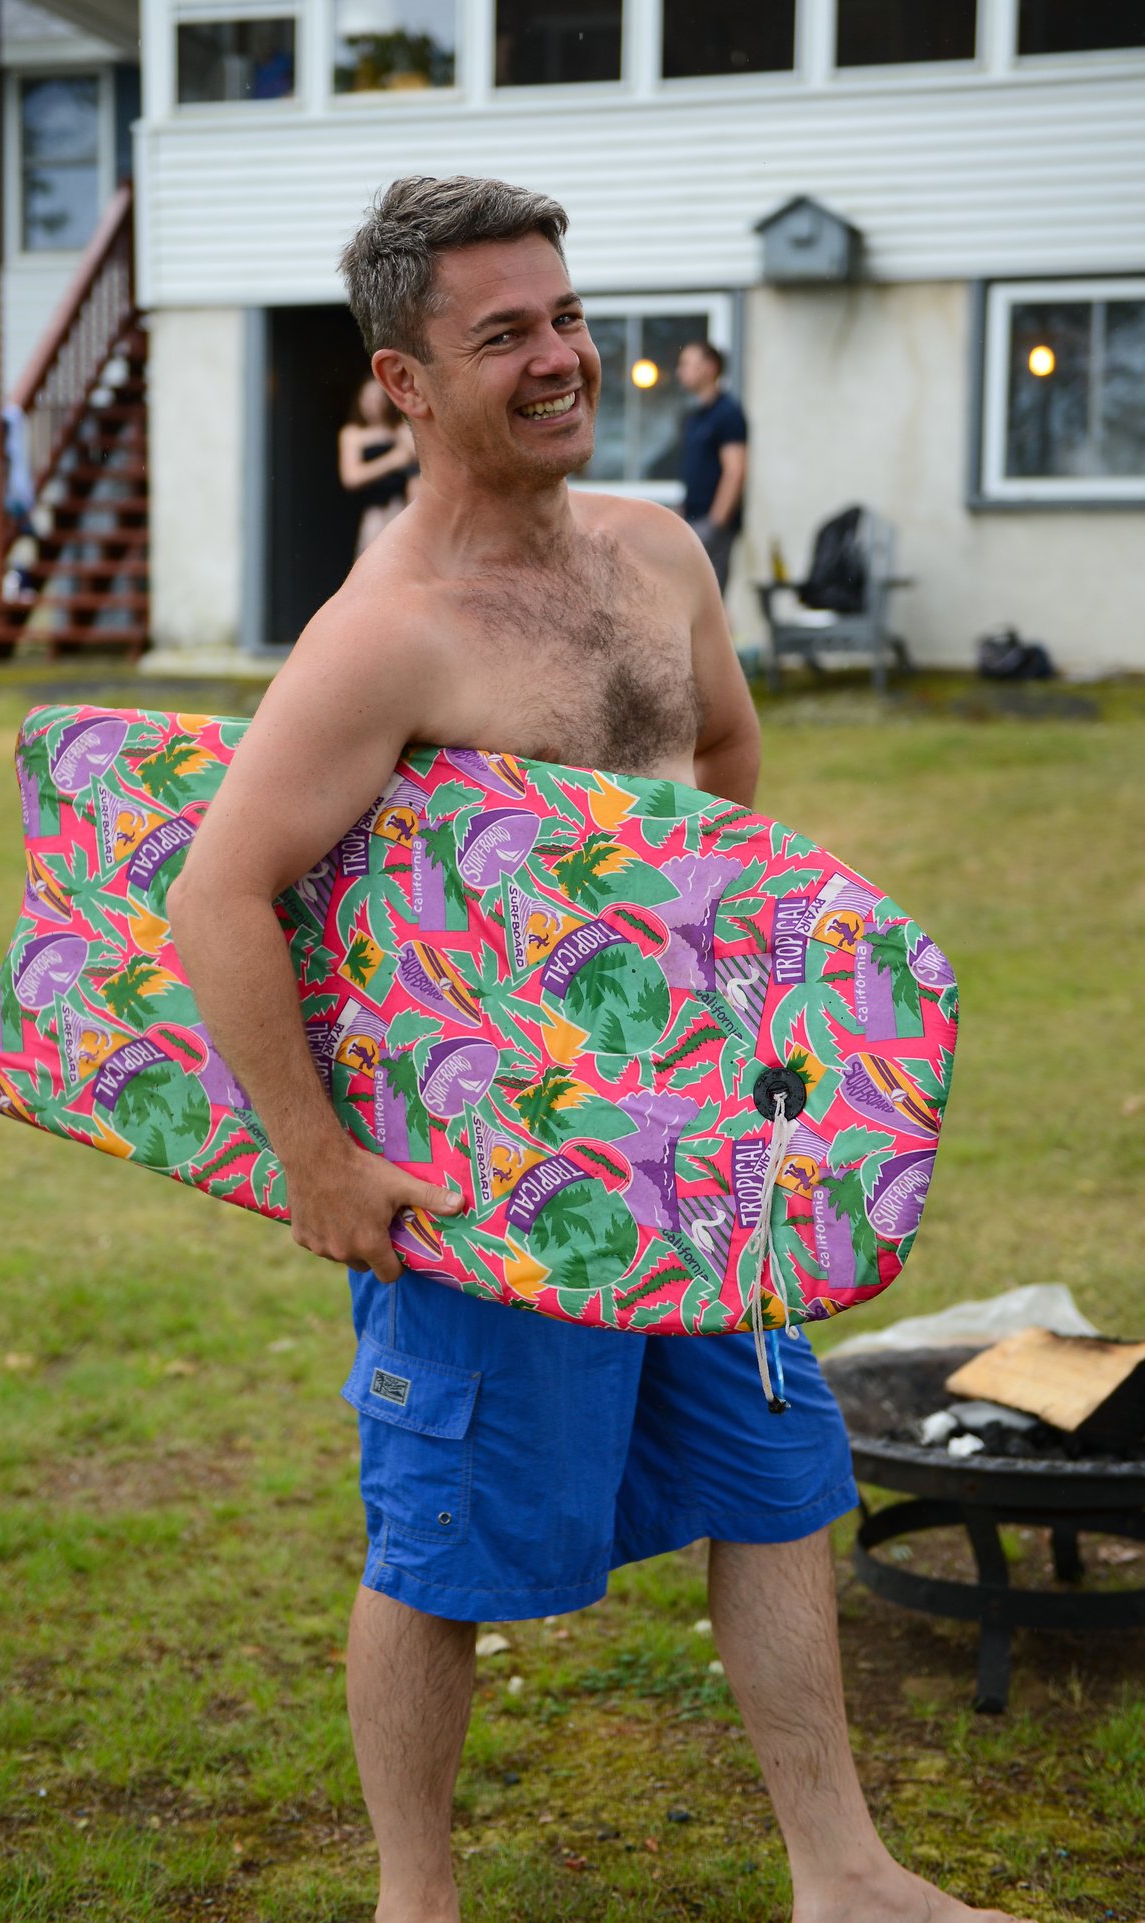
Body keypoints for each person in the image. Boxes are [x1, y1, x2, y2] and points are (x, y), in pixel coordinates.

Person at [168, 177, 1028, 1923]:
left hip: (699, 1148)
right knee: (440, 1543)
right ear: (405, 381)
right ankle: (420, 1901)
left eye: (567, 316)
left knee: (774, 1484)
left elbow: (720, 764)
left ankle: (843, 1874)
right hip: (486, 1172)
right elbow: (218, 896)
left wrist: (690, 997)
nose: (563, 357)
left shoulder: (659, 552)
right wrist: (319, 1155)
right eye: (508, 335)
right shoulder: (387, 632)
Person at [676, 339, 747, 594]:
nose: (679, 371)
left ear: (709, 367)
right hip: (692, 522)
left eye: (686, 364)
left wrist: (716, 523)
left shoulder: (728, 413)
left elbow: (735, 471)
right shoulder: (695, 417)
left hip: (711, 525)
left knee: (709, 599)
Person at [338, 376, 418, 555]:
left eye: (378, 398)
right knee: (373, 558)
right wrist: (393, 460)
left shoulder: (399, 429)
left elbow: (416, 457)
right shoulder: (353, 434)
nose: (373, 405)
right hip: (375, 512)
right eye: (367, 399)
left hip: (402, 508)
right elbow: (352, 477)